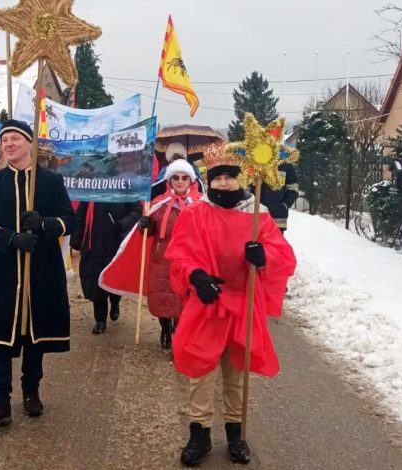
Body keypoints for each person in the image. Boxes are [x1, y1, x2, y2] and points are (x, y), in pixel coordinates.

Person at [165, 146, 296, 466]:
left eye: (229, 177)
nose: (223, 183)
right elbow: (179, 253)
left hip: (242, 304)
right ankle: (200, 433)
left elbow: (284, 256)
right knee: (201, 370)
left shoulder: (258, 216)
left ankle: (236, 433)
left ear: (242, 179)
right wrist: (196, 277)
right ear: (209, 180)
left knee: (236, 373)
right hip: (207, 302)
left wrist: (262, 256)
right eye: (217, 177)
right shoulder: (196, 212)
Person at [0, 120, 76, 428]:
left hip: (40, 269)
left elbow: (70, 221)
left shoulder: (50, 181)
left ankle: (31, 390)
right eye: (4, 139)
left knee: (34, 333)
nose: (8, 143)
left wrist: (44, 225)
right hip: (2, 270)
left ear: (29, 143)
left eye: (15, 138)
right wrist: (10, 238)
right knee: (0, 335)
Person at [137, 159, 200, 349]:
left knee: (184, 299)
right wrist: (144, 225)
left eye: (184, 178)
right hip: (162, 258)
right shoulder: (158, 203)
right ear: (169, 181)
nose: (180, 181)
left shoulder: (199, 205)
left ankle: (179, 332)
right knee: (163, 298)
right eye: (176, 178)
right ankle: (165, 326)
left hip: (188, 260)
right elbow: (149, 233)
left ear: (191, 181)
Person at [71, 201, 141, 334]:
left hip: (116, 242)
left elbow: (136, 210)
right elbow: (80, 214)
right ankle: (100, 319)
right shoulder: (93, 187)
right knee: (94, 280)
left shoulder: (125, 184)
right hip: (92, 243)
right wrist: (76, 238)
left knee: (115, 279)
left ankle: (115, 302)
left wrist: (121, 224)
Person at [251, 162, 299, 233]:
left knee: (275, 243)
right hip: (253, 217)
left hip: (278, 218)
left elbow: (293, 189)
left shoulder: (285, 165)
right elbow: (245, 186)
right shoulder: (254, 161)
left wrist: (285, 204)